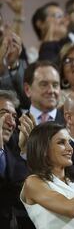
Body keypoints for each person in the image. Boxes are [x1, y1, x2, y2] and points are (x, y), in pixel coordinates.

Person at [0, 90, 33, 228]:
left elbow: (23, 194)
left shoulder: (13, 155)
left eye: (14, 117)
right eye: (3, 113)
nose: (11, 122)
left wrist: (26, 151)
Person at [23, 61, 65, 125]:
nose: (51, 90)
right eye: (44, 85)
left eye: (55, 85)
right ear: (27, 89)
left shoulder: (70, 124)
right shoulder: (15, 125)